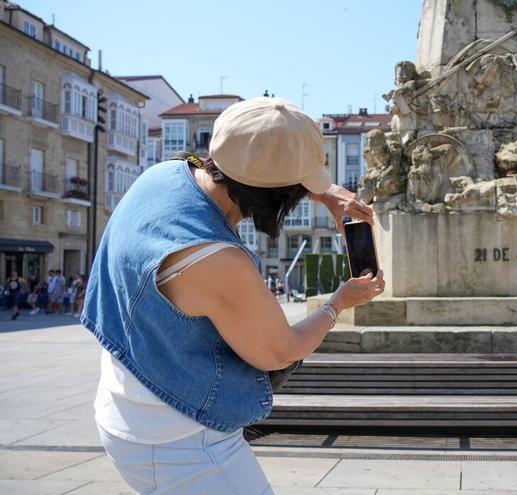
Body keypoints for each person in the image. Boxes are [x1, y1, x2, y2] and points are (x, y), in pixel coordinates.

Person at [82, 97, 385, 494]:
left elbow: (254, 170)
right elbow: (280, 350)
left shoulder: (164, 175)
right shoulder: (218, 260)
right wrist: (338, 303)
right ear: (279, 196)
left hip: (126, 405)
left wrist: (322, 192)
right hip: (180, 443)